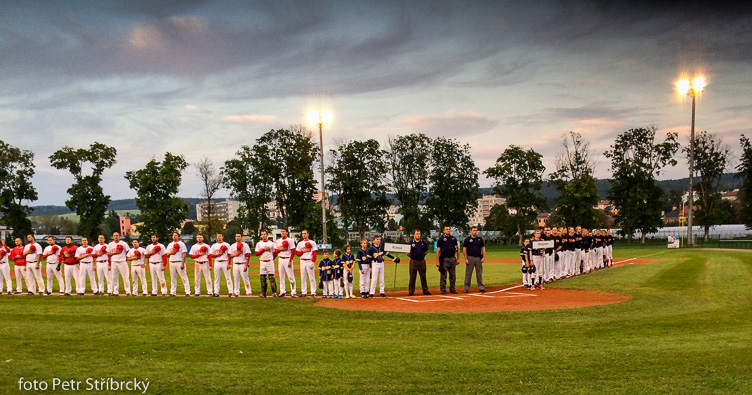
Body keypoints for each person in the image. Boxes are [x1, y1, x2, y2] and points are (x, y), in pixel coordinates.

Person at [165, 232, 190, 297]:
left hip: (179, 262)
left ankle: (187, 292)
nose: (174, 236)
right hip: (172, 262)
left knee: (184, 278)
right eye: (173, 235)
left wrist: (183, 263)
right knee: (173, 278)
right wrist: (171, 252)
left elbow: (184, 254)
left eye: (175, 235)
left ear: (178, 236)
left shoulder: (181, 244)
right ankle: (173, 292)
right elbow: (166, 255)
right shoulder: (170, 244)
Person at [462, 226, 486, 293]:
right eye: (473, 230)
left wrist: (483, 257)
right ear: (471, 231)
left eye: (476, 230)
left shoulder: (480, 239)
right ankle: (466, 288)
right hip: (470, 258)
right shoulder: (467, 239)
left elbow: (483, 248)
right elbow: (464, 249)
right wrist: (466, 258)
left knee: (479, 273)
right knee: (468, 273)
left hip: (478, 258)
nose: (475, 232)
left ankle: (481, 287)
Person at [436, 226, 459, 295]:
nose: (448, 230)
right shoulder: (441, 239)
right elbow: (438, 251)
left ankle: (452, 288)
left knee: (453, 275)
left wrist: (457, 258)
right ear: (444, 231)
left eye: (449, 229)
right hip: (444, 259)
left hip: (452, 258)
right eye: (446, 229)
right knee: (443, 275)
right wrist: (438, 261)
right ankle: (443, 289)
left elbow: (458, 249)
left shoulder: (453, 239)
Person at [295, 230, 318, 297]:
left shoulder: (312, 242)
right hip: (302, 260)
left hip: (309, 260)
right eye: (302, 234)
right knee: (303, 277)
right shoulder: (300, 243)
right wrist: (303, 251)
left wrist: (313, 261)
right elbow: (297, 253)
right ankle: (304, 292)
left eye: (305, 233)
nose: (304, 235)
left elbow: (314, 252)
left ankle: (313, 292)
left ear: (308, 234)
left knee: (311, 277)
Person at [407, 229, 431, 296]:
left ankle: (425, 290)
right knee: (412, 277)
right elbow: (407, 253)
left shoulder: (423, 243)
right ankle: (411, 291)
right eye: (417, 234)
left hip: (422, 261)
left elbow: (426, 252)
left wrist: (421, 255)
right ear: (414, 235)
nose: (418, 235)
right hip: (413, 261)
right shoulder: (410, 243)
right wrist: (414, 256)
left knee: (423, 276)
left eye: (419, 234)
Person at [254, 231, 278, 298]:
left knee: (271, 277)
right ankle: (263, 293)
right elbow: (257, 253)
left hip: (269, 261)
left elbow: (275, 252)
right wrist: (263, 250)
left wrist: (272, 258)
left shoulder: (271, 243)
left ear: (267, 235)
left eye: (264, 234)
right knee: (262, 278)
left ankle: (274, 292)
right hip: (262, 261)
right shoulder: (259, 244)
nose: (263, 236)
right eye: (262, 234)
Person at [274, 228, 296, 298]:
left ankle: (293, 291)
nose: (282, 233)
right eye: (281, 231)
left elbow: (292, 251)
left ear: (287, 233)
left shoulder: (290, 240)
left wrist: (290, 260)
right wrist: (280, 249)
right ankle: (282, 291)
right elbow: (275, 250)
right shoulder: (278, 241)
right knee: (281, 276)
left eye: (284, 231)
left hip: (287, 258)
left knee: (291, 276)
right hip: (280, 259)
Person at [108, 232, 131, 296]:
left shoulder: (123, 243)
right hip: (114, 262)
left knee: (125, 277)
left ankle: (128, 291)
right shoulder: (110, 244)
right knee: (114, 277)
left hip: (122, 261)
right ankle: (115, 292)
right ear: (113, 236)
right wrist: (114, 253)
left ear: (119, 236)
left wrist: (127, 257)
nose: (115, 237)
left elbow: (128, 251)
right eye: (114, 235)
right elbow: (108, 253)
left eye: (117, 235)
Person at [210, 233, 233, 297]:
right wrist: (217, 255)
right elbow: (210, 255)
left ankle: (231, 291)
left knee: (228, 277)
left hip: (225, 261)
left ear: (222, 237)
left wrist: (229, 263)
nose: (219, 237)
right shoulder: (214, 245)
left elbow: (229, 254)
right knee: (216, 278)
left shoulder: (227, 245)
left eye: (220, 236)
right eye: (217, 236)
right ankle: (216, 292)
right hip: (217, 262)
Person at [231, 233, 253, 297]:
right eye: (236, 236)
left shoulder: (245, 245)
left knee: (245, 279)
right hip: (235, 264)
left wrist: (246, 265)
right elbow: (230, 255)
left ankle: (248, 291)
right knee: (236, 279)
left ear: (241, 237)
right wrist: (236, 254)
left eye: (238, 236)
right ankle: (236, 292)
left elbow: (248, 255)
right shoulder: (233, 245)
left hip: (242, 263)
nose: (237, 237)